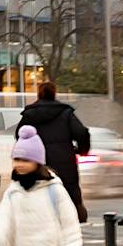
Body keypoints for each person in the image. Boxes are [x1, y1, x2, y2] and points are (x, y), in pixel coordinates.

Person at [18, 79, 90, 220]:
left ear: (38, 94)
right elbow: (82, 133)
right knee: (68, 192)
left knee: (39, 193)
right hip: (64, 161)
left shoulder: (29, 115)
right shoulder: (65, 113)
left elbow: (19, 136)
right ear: (54, 94)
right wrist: (82, 150)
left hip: (37, 164)